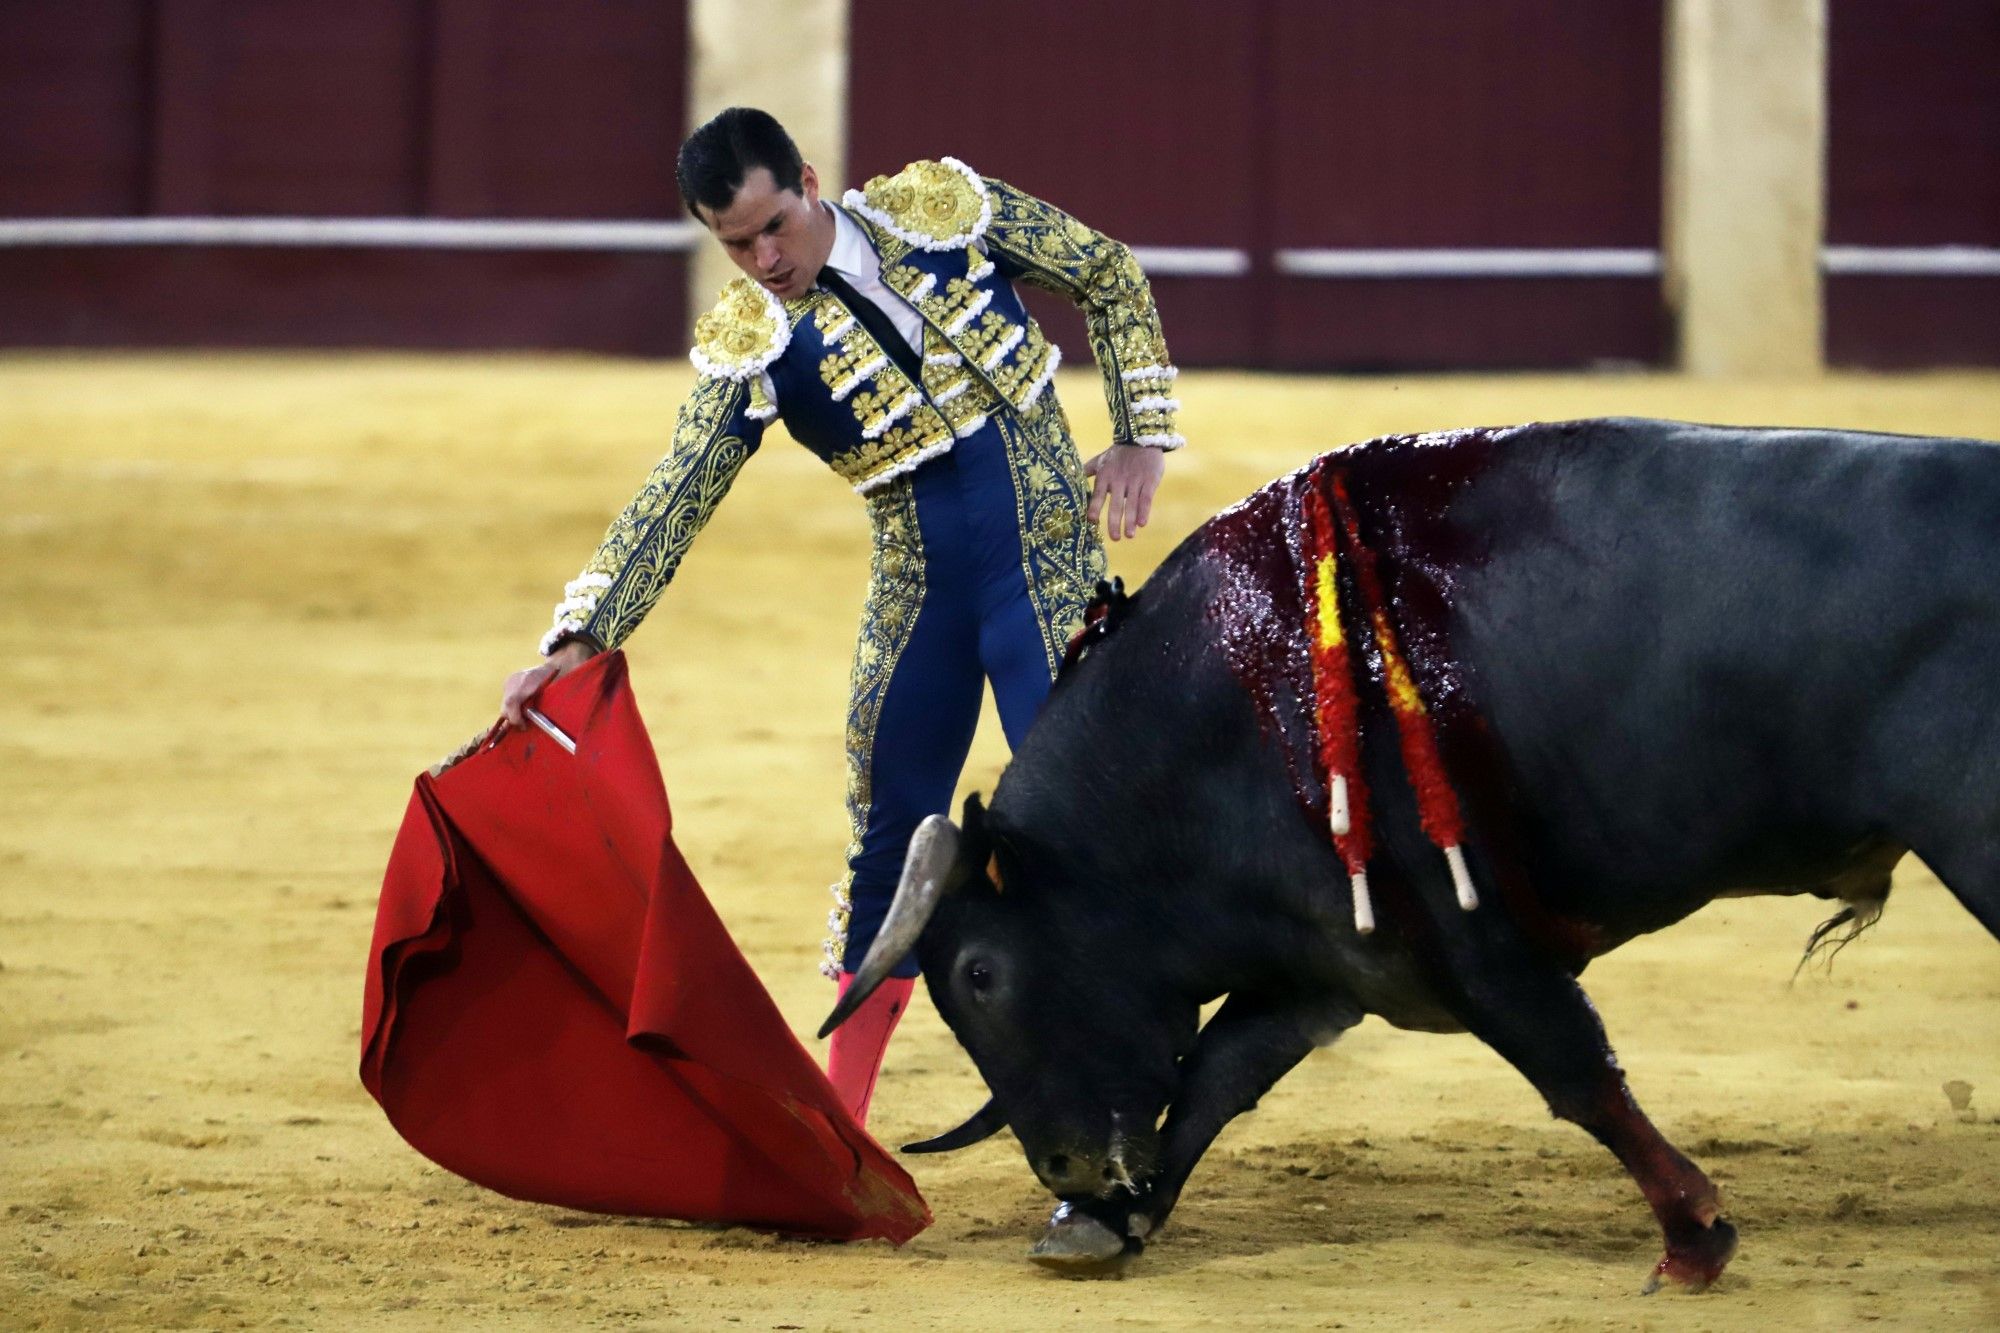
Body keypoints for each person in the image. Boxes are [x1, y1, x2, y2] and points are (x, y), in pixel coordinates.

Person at [500, 107, 1183, 1125]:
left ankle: (1114, 1113)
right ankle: (840, 1124)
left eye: (773, 226)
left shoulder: (943, 213)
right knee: (885, 849)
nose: (762, 259)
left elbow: (1107, 271)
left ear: (810, 182)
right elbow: (678, 489)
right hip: (923, 602)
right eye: (734, 243)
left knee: (1082, 832)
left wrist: (1139, 434)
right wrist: (582, 633)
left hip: (1046, 574)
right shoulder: (752, 347)